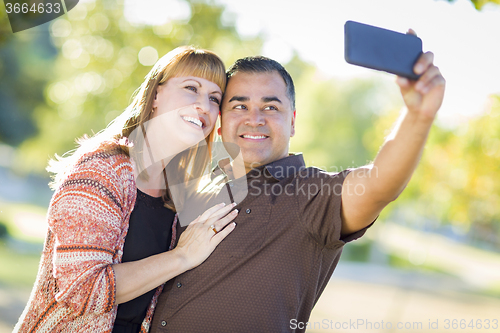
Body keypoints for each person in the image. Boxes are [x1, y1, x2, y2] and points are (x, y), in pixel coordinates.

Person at [149, 40, 445, 332]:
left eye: (270, 107)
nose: (254, 119)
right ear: (222, 122)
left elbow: (379, 184)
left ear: (292, 122)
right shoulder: (199, 182)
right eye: (240, 105)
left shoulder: (311, 195)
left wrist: (417, 117)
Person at [14, 46, 238, 333]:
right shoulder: (100, 172)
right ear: (156, 94)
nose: (203, 106)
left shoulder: (178, 193)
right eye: (191, 88)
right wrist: (182, 256)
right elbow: (82, 289)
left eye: (214, 98)